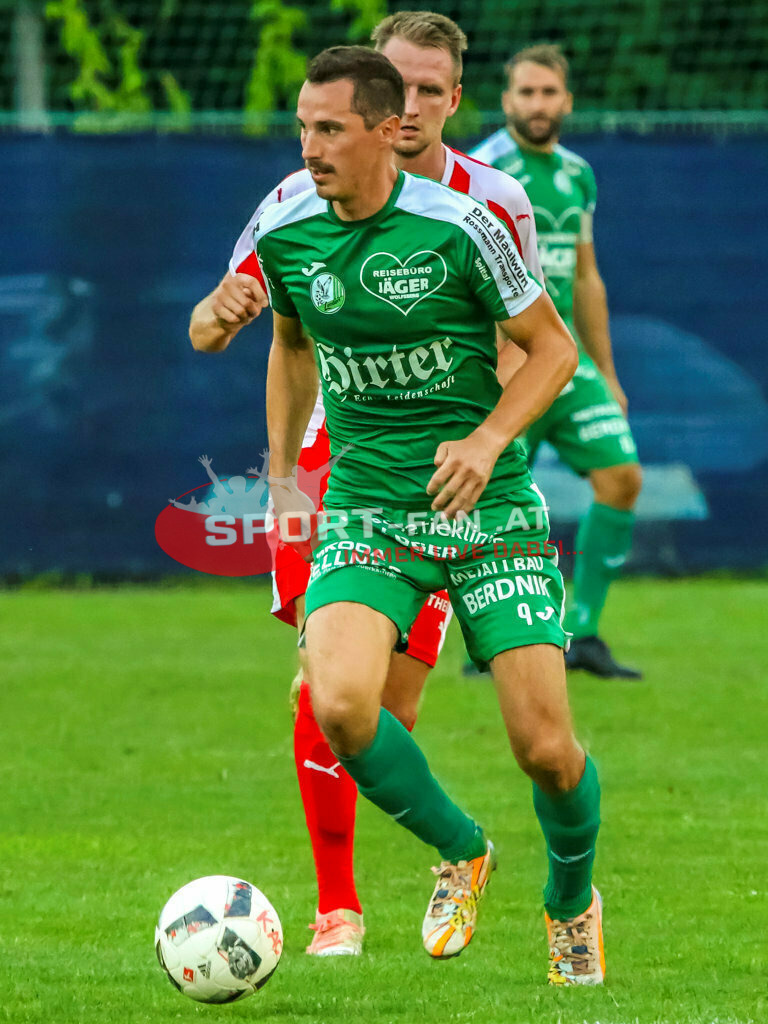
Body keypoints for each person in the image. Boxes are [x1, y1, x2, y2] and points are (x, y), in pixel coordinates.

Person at [190, 11, 545, 959]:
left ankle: (454, 853)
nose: (415, 106)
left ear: (453, 99)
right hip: (333, 461)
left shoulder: (493, 201)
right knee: (327, 685)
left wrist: (485, 443)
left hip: (444, 470)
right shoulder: (298, 195)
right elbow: (269, 328)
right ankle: (336, 911)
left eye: (433, 90)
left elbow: (526, 346)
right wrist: (279, 475)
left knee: (392, 709)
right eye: (401, 86)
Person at [255, 43, 604, 985]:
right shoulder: (287, 230)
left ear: (383, 129)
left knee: (546, 752)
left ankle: (571, 899)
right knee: (336, 704)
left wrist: (488, 440)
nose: (311, 146)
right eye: (303, 127)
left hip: (487, 507)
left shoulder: (466, 221)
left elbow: (552, 349)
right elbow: (286, 343)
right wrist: (284, 476)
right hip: (370, 507)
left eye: (329, 129)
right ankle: (461, 847)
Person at [470, 44, 644, 680]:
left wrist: (609, 372)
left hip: (567, 358)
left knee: (622, 477)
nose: (537, 105)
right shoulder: (483, 170)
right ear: (506, 99)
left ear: (567, 101)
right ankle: (488, 641)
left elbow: (587, 277)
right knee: (483, 499)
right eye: (525, 93)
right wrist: (487, 364)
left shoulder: (578, 174)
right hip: (509, 360)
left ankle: (585, 634)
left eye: (549, 93)